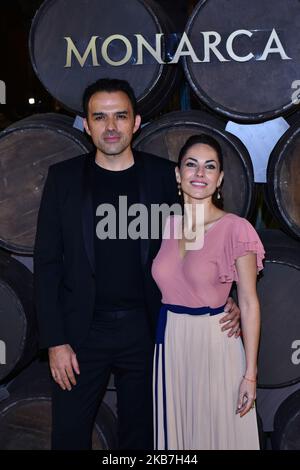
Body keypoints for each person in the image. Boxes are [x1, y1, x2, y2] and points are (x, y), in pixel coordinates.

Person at [34, 79, 241, 450]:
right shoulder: (62, 179)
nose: (111, 127)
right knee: (68, 437)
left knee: (144, 439)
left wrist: (227, 296)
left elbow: (202, 242)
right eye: (100, 117)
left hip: (148, 330)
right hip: (81, 333)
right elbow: (47, 264)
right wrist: (55, 340)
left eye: (120, 116)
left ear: (137, 122)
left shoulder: (164, 177)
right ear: (86, 124)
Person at [152, 134, 265, 450]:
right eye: (191, 165)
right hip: (171, 345)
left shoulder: (236, 228)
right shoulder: (167, 225)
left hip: (216, 347)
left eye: (209, 167)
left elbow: (249, 301)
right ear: (178, 174)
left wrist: (250, 375)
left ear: (220, 180)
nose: (199, 174)